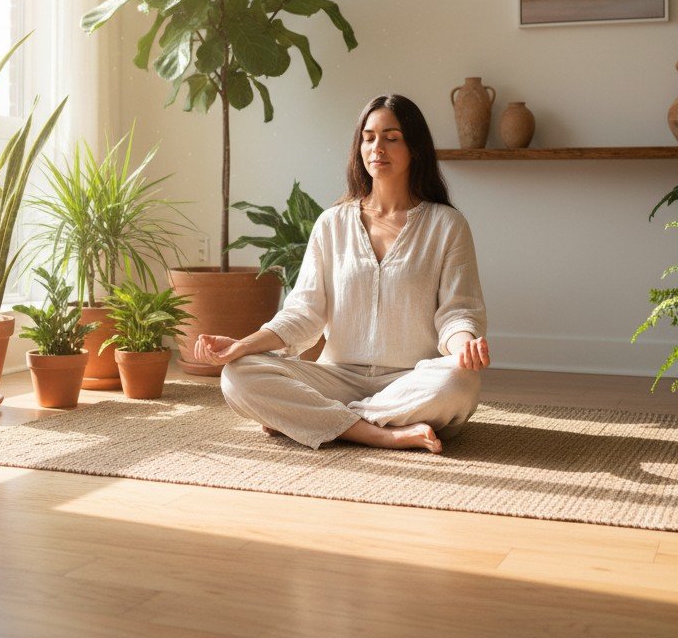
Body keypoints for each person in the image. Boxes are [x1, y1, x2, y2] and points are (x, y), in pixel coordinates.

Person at [192, 93, 490, 455]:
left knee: (460, 381)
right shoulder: (332, 223)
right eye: (368, 137)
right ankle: (378, 433)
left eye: (391, 137)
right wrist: (242, 345)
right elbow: (304, 312)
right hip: (336, 377)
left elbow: (458, 311)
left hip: (410, 380)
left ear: (416, 148)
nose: (377, 147)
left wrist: (465, 345)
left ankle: (316, 420)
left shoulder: (447, 224)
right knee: (238, 374)